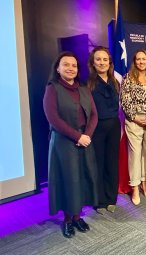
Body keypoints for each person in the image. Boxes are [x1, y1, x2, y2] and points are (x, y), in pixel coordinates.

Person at [43, 51, 98, 238]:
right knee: (69, 180)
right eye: (66, 64)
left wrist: (87, 136)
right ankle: (67, 220)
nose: (71, 68)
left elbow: (94, 115)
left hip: (84, 141)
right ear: (58, 68)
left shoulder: (84, 89)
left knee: (82, 179)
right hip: (64, 143)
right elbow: (53, 119)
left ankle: (77, 216)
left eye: (74, 65)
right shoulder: (53, 88)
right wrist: (78, 137)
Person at [120, 49, 146, 205]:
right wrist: (136, 117)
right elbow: (125, 100)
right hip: (134, 121)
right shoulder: (128, 78)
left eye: (144, 59)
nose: (141, 62)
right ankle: (135, 187)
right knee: (135, 154)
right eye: (138, 59)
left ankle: (144, 182)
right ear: (134, 61)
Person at [87, 46, 120, 214]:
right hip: (96, 128)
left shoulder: (115, 81)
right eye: (98, 59)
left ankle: (111, 198)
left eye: (105, 59)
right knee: (98, 163)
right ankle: (99, 200)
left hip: (114, 126)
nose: (102, 62)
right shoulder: (88, 83)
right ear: (93, 62)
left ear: (110, 62)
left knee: (112, 163)